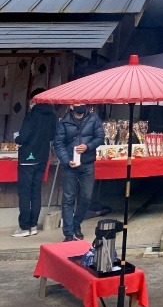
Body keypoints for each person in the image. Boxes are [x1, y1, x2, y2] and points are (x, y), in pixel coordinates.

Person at [53, 104, 104, 241]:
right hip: (70, 164)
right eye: (77, 104)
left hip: (87, 163)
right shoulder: (64, 122)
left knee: (86, 197)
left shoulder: (94, 118)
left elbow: (100, 137)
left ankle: (76, 224)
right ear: (71, 106)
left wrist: (88, 146)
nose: (80, 106)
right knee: (68, 198)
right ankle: (68, 233)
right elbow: (58, 144)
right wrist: (66, 160)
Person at [12, 88, 57, 238]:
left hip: (27, 159)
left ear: (34, 100)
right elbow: (52, 136)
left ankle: (24, 227)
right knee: (36, 192)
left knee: (25, 193)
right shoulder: (52, 116)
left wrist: (17, 139)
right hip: (42, 158)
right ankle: (33, 225)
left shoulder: (31, 116)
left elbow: (23, 137)